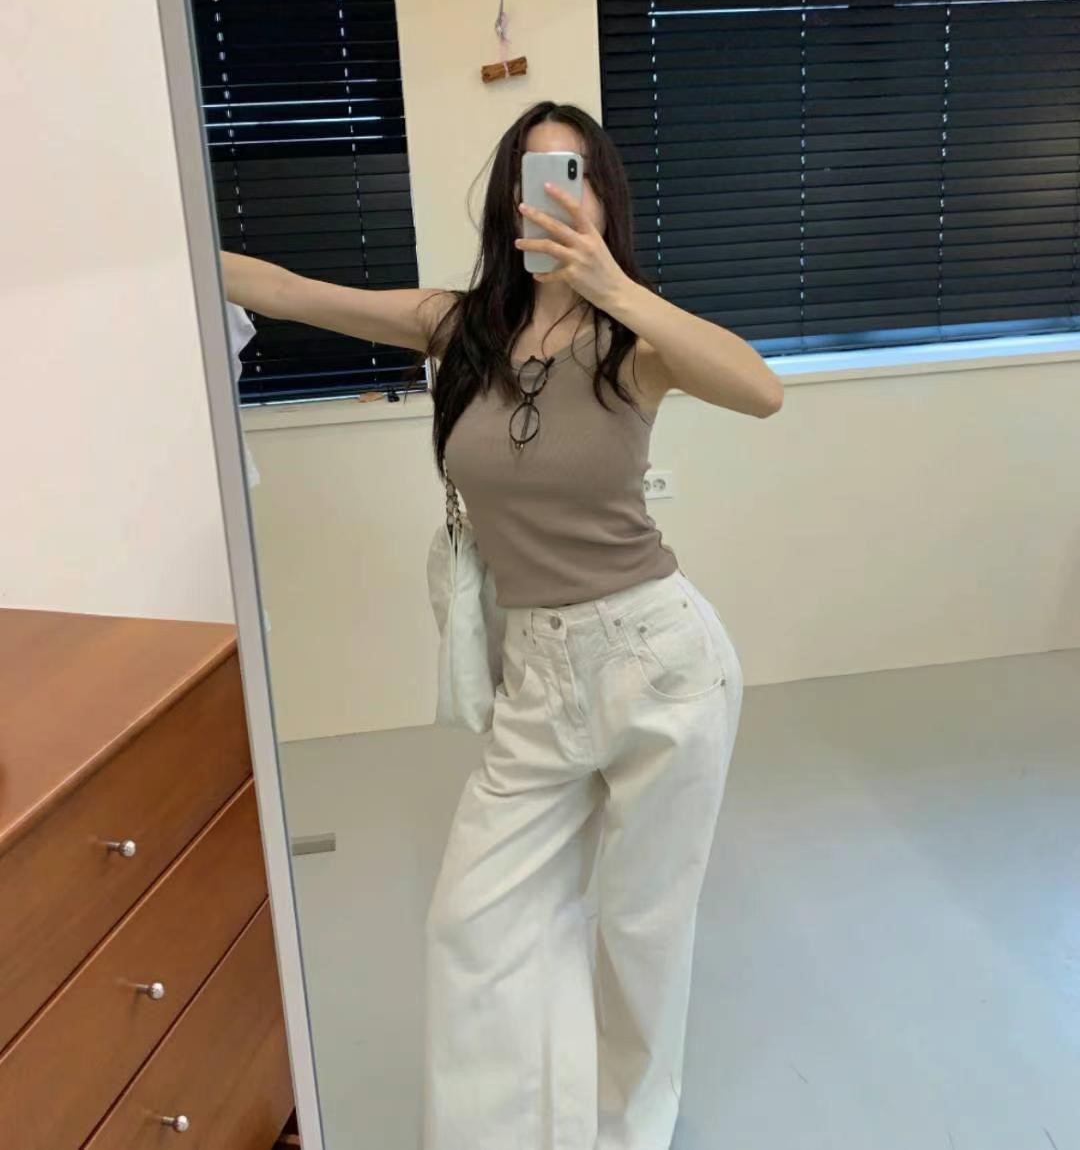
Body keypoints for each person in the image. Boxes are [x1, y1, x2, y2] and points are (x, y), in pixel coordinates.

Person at [222, 101, 783, 1150]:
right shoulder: (463, 328)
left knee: (642, 931)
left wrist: (614, 285)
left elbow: (761, 391)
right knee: (471, 921)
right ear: (508, 204)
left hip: (660, 660)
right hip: (538, 674)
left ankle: (624, 1129)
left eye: (576, 174)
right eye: (535, 175)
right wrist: (164, 247)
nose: (556, 195)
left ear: (604, 197)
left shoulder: (632, 341)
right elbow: (295, 293)